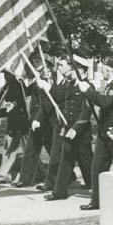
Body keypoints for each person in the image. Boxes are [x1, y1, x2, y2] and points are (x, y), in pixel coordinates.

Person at [77, 57, 113, 211]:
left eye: (103, 69)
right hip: (103, 130)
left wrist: (88, 91)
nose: (102, 72)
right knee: (97, 167)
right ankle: (97, 201)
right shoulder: (111, 83)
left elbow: (105, 102)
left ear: (108, 70)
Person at [43, 54, 93, 201]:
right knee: (66, 159)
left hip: (81, 131)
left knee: (87, 161)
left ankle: (97, 187)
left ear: (80, 70)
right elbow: (59, 97)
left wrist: (75, 128)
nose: (67, 70)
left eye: (71, 68)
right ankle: (59, 193)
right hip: (68, 127)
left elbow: (87, 111)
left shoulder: (87, 86)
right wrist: (47, 87)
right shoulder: (71, 85)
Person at [13, 50, 53, 187]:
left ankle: (67, 175)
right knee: (33, 149)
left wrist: (38, 119)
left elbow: (46, 101)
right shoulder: (37, 76)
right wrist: (20, 82)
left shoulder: (47, 76)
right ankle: (25, 179)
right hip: (36, 118)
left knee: (48, 149)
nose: (33, 63)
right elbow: (29, 91)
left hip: (45, 119)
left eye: (36, 61)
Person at [34, 52, 70, 192]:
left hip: (73, 123)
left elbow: (62, 97)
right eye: (58, 65)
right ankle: (51, 183)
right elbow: (48, 101)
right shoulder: (56, 80)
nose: (58, 67)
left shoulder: (70, 82)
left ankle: (92, 180)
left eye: (62, 65)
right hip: (59, 122)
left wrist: (49, 87)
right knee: (56, 152)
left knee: (83, 155)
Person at [0, 69, 28, 184]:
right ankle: (4, 175)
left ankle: (39, 172)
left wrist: (14, 104)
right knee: (9, 149)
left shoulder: (20, 85)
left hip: (22, 122)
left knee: (28, 150)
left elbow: (23, 101)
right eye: (5, 73)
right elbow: (3, 102)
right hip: (12, 122)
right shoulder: (7, 86)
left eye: (8, 73)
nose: (5, 75)